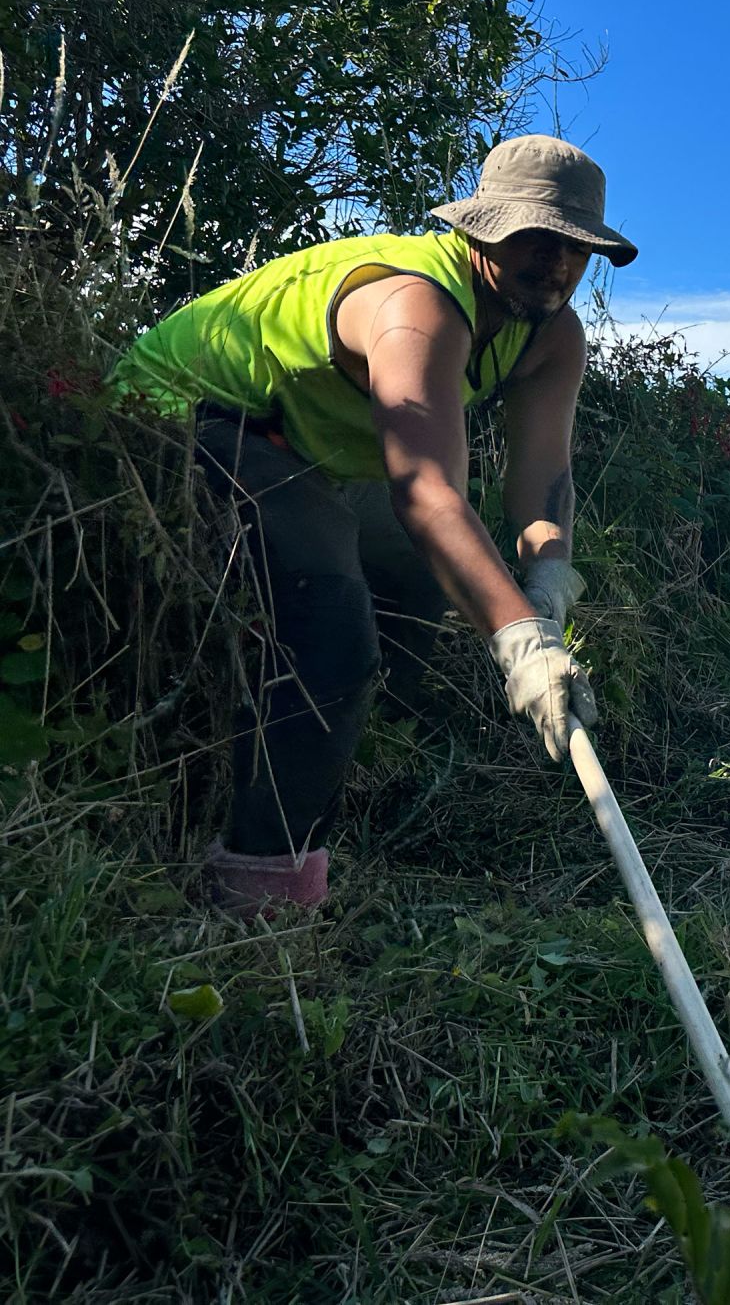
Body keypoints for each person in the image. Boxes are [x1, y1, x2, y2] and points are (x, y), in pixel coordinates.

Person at [114, 135, 634, 913]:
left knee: (422, 575)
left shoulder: (550, 335)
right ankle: (262, 882)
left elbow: (542, 475)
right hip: (187, 415)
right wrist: (520, 641)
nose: (556, 262)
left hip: (310, 448)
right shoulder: (415, 305)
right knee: (330, 622)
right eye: (535, 237)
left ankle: (373, 757)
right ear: (482, 229)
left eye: (575, 246)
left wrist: (548, 575)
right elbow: (427, 494)